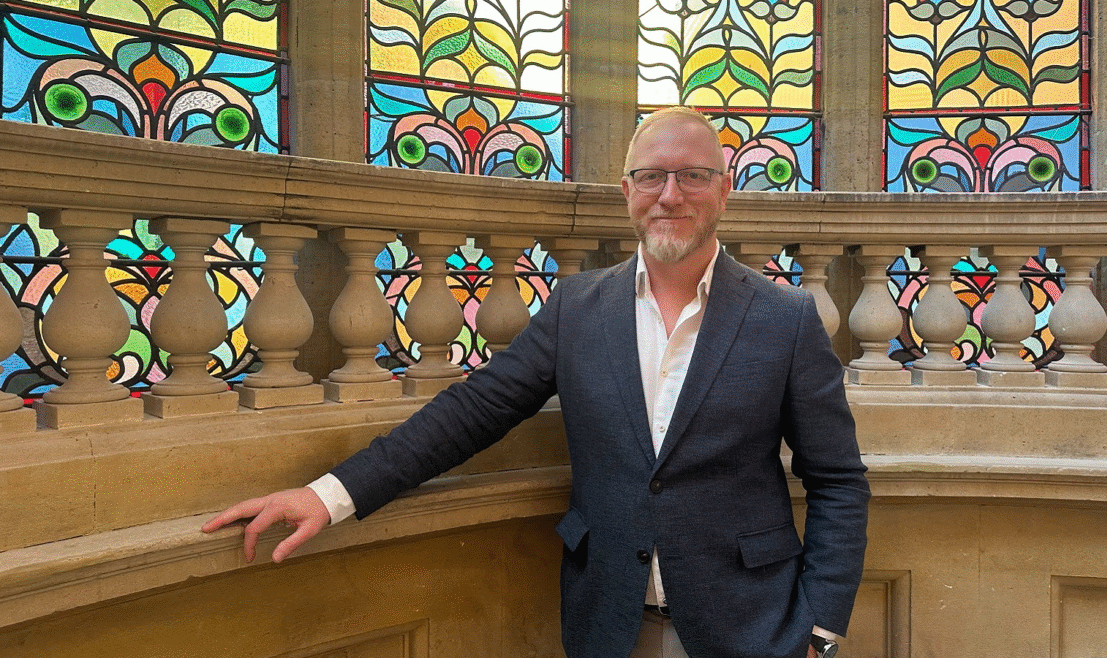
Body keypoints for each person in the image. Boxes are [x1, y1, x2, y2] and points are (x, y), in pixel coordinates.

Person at [203, 106, 870, 658]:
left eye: (694, 176)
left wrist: (818, 630)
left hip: (754, 628)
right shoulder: (577, 309)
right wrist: (329, 495)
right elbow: (469, 413)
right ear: (627, 192)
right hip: (609, 625)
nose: (672, 195)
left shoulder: (785, 319)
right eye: (653, 177)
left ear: (725, 190)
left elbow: (838, 481)